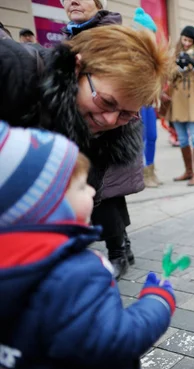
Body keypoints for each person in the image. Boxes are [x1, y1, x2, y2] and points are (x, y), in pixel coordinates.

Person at [0, 123, 176, 369]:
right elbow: (117, 339)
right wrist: (157, 301)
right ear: (46, 206)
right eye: (82, 186)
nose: (93, 192)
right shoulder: (76, 274)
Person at [0, 25, 170, 280]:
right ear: (78, 68)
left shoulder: (108, 135)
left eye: (126, 114)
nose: (110, 119)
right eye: (106, 102)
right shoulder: (12, 68)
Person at [60, 0, 145, 278]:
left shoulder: (111, 34)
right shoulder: (70, 36)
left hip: (108, 132)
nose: (72, 1)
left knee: (104, 194)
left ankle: (118, 253)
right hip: (79, 128)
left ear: (97, 3)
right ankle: (124, 246)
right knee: (102, 193)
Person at [167, 26, 194, 186]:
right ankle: (188, 171)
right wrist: (178, 67)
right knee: (183, 139)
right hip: (178, 102)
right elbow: (169, 77)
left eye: (189, 41)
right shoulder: (175, 53)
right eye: (184, 39)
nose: (186, 43)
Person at [133, 7, 162, 188]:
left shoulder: (152, 54)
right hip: (136, 101)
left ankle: (150, 170)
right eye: (150, 32)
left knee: (152, 136)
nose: (153, 36)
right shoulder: (132, 52)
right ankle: (141, 174)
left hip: (149, 101)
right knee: (140, 137)